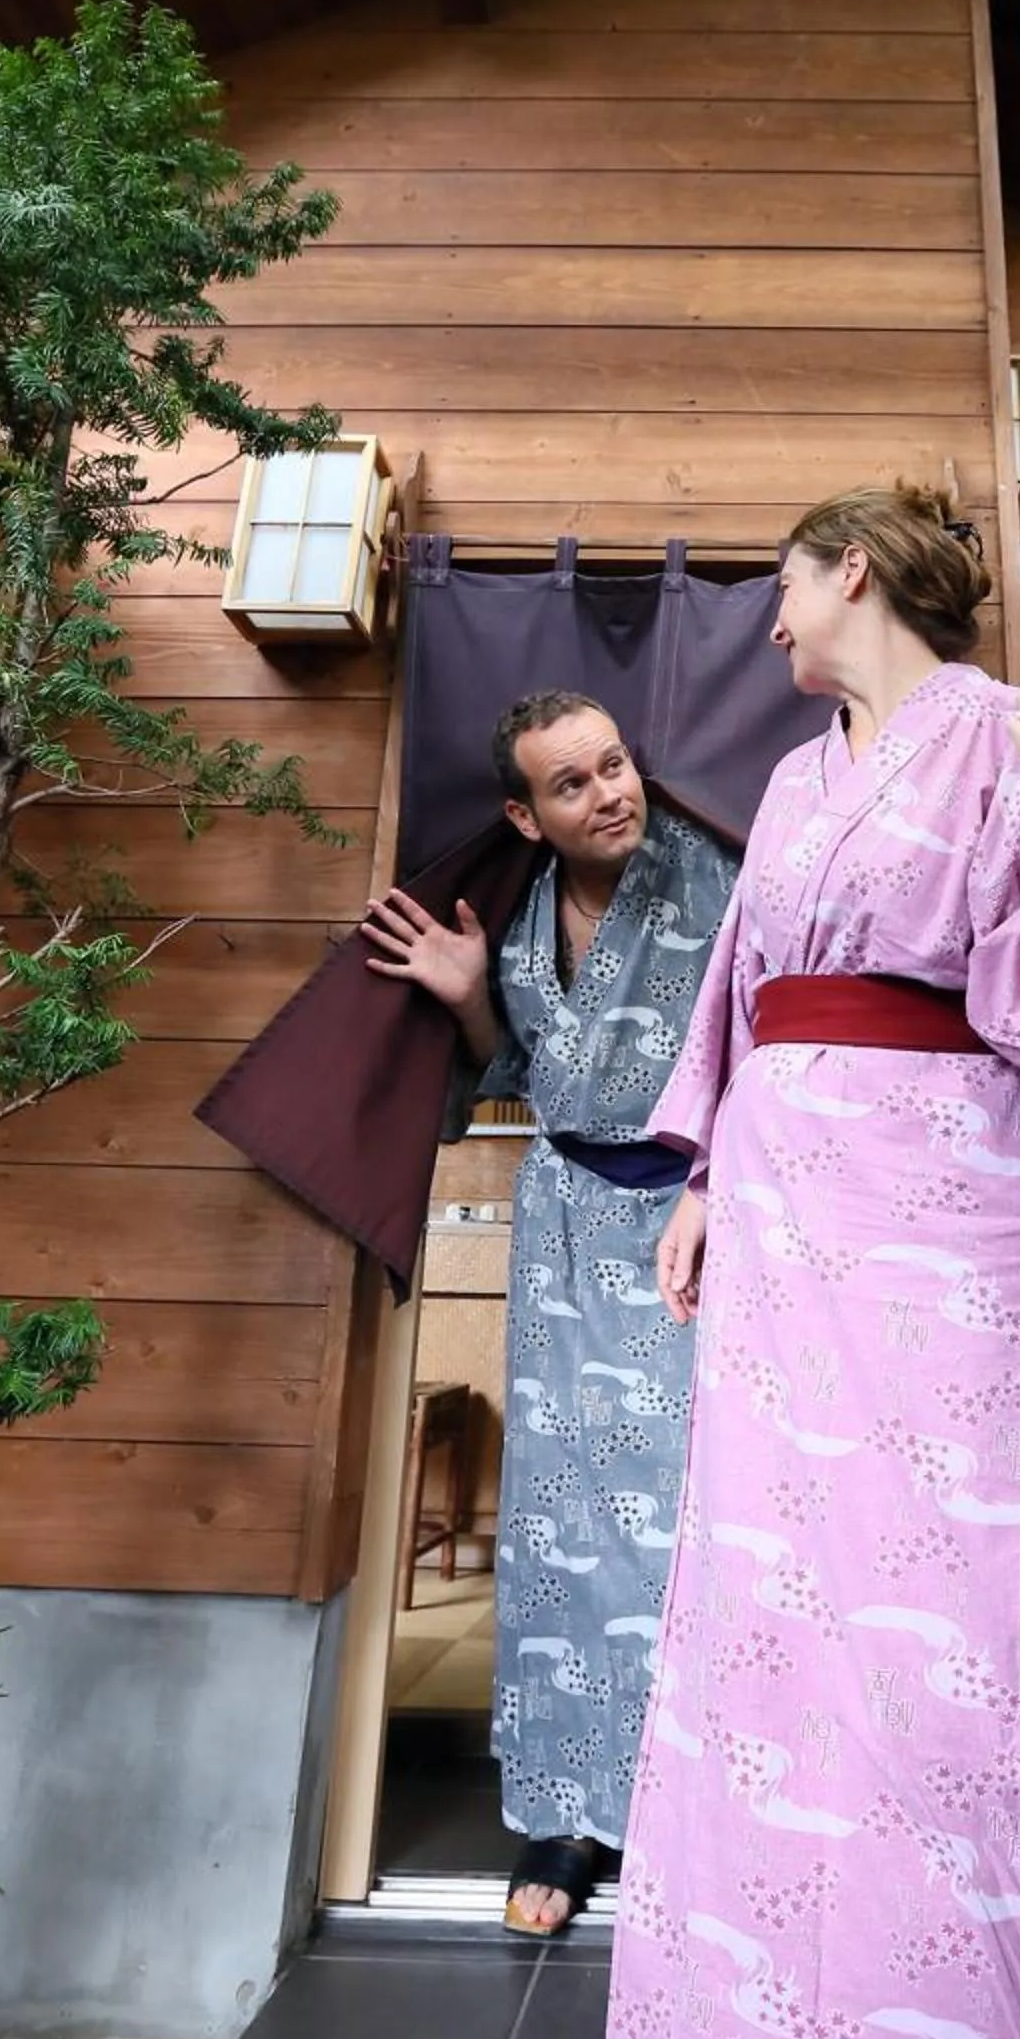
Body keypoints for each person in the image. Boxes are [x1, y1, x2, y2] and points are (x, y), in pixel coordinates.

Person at [602, 489, 1020, 2039]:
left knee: (941, 1675)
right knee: (776, 1670)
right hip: (779, 1222)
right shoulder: (788, 786)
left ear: (845, 568)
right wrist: (699, 1173)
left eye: (779, 583)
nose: (769, 621)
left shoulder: (1007, 735)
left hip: (937, 1230)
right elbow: (748, 1001)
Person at [360, 691, 738, 1937]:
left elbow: (779, 1058)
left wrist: (715, 1186)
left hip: (695, 1220)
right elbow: (520, 1073)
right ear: (526, 813)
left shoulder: (726, 879)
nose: (608, 793)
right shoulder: (517, 920)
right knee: (559, 1520)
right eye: (571, 785)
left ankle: (701, 1803)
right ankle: (566, 1816)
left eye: (615, 764)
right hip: (563, 1219)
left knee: (692, 1517)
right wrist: (472, 997)